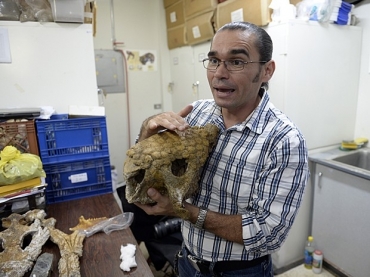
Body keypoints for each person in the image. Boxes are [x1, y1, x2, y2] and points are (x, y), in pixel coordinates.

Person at [134, 21, 310, 277]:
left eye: (236, 62)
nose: (219, 73)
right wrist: (146, 138)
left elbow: (267, 234)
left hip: (239, 272)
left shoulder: (284, 140)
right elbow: (151, 185)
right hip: (187, 261)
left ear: (266, 71)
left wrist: (184, 211)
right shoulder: (197, 114)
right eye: (214, 60)